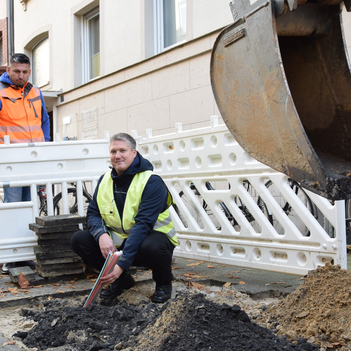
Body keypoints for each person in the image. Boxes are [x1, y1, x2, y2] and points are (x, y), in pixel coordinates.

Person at [71, 133, 178, 303]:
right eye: (113, 151)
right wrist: (101, 235)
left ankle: (163, 284)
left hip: (150, 239)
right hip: (119, 242)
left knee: (153, 246)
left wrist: (122, 264)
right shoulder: (105, 180)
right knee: (79, 239)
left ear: (134, 153)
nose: (117, 155)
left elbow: (143, 225)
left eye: (123, 150)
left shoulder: (151, 182)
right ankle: (122, 280)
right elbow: (93, 213)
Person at [0, 53, 50, 274]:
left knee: (31, 207)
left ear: (29, 71)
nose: (21, 75)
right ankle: (12, 258)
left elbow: (44, 121)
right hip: (12, 159)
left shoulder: (36, 91)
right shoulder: (1, 91)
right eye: (16, 71)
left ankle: (28, 253)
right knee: (14, 206)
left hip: (34, 160)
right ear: (8, 70)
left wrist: (46, 146)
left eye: (25, 72)